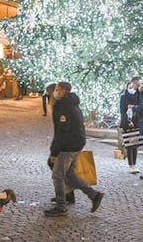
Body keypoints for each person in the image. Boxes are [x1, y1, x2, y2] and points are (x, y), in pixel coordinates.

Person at [44, 81, 104, 217]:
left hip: (68, 145)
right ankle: (94, 195)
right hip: (76, 143)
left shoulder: (64, 107)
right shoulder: (71, 103)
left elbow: (62, 131)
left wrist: (55, 152)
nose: (55, 92)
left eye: (57, 89)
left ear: (63, 91)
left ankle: (61, 206)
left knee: (57, 175)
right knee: (70, 175)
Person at [119, 77, 142, 174]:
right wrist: (128, 121)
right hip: (127, 123)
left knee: (135, 144)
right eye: (130, 87)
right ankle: (131, 165)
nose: (131, 88)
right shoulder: (124, 97)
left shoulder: (138, 96)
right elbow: (122, 111)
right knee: (129, 145)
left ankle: (135, 164)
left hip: (136, 122)